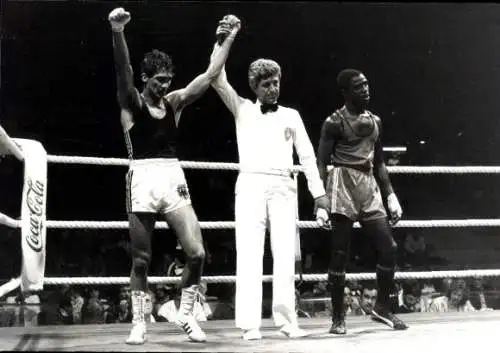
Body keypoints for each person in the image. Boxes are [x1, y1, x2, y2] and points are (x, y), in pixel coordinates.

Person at [108, 7, 240, 344]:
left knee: (196, 253)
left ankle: (185, 315)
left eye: (167, 79)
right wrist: (117, 31)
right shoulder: (131, 104)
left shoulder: (174, 103)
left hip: (172, 177)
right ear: (145, 79)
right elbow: (122, 70)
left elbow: (210, 75)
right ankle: (139, 322)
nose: (164, 86)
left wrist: (228, 39)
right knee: (141, 259)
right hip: (142, 177)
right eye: (158, 81)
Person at [210, 46, 330, 339]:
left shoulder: (291, 115)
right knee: (249, 253)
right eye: (267, 84)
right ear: (255, 86)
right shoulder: (242, 108)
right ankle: (250, 324)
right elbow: (216, 77)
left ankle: (288, 322)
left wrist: (319, 194)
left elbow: (308, 156)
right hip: (251, 184)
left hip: (284, 186)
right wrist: (223, 41)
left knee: (285, 254)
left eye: (276, 82)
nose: (273, 88)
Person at [316, 68, 408, 334]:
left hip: (368, 186)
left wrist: (390, 195)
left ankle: (381, 308)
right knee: (339, 253)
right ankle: (337, 318)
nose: (365, 89)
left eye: (366, 84)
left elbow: (378, 163)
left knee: (389, 247)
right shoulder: (333, 122)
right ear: (345, 92)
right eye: (358, 86)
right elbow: (322, 161)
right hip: (342, 184)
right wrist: (320, 202)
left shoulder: (376, 121)